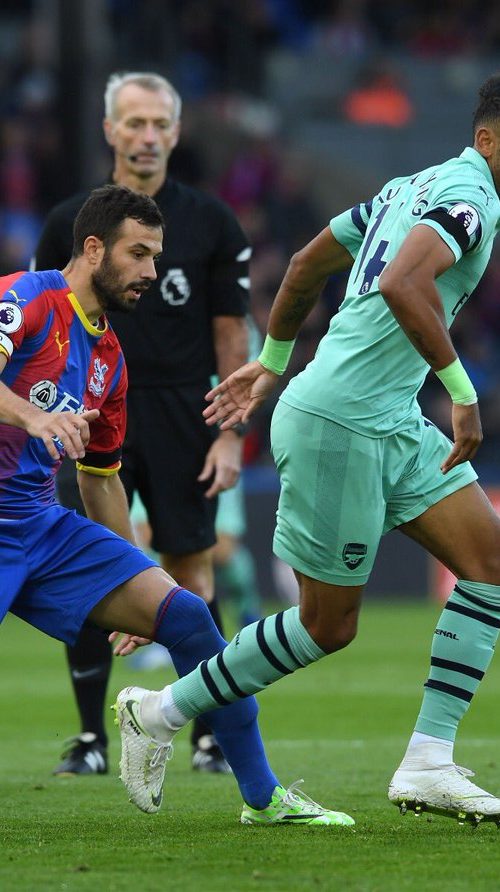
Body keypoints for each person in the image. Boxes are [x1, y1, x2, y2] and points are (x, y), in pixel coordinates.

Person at [114, 75, 500, 826]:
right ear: (487, 140)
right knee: (328, 625)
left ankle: (429, 761)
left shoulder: (404, 188)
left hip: (388, 417)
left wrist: (273, 360)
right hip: (341, 421)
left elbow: (303, 265)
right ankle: (158, 711)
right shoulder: (470, 198)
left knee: (488, 567)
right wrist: (462, 391)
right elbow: (403, 283)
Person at [0, 183, 353, 827]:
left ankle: (263, 797)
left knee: (188, 616)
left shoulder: (109, 358)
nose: (151, 273)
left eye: (157, 257)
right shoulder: (26, 298)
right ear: (93, 248)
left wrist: (128, 576)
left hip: (37, 521)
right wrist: (32, 416)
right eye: (138, 254)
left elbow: (100, 479)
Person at [33, 71, 250, 775]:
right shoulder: (68, 223)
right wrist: (41, 414)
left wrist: (229, 432)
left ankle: (210, 736)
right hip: (85, 412)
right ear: (110, 130)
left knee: (192, 565)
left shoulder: (213, 222)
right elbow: (42, 318)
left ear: (177, 132)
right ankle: (91, 739)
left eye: (160, 123)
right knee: (89, 566)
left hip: (184, 410)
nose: (148, 136)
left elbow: (230, 333)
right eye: (134, 122)